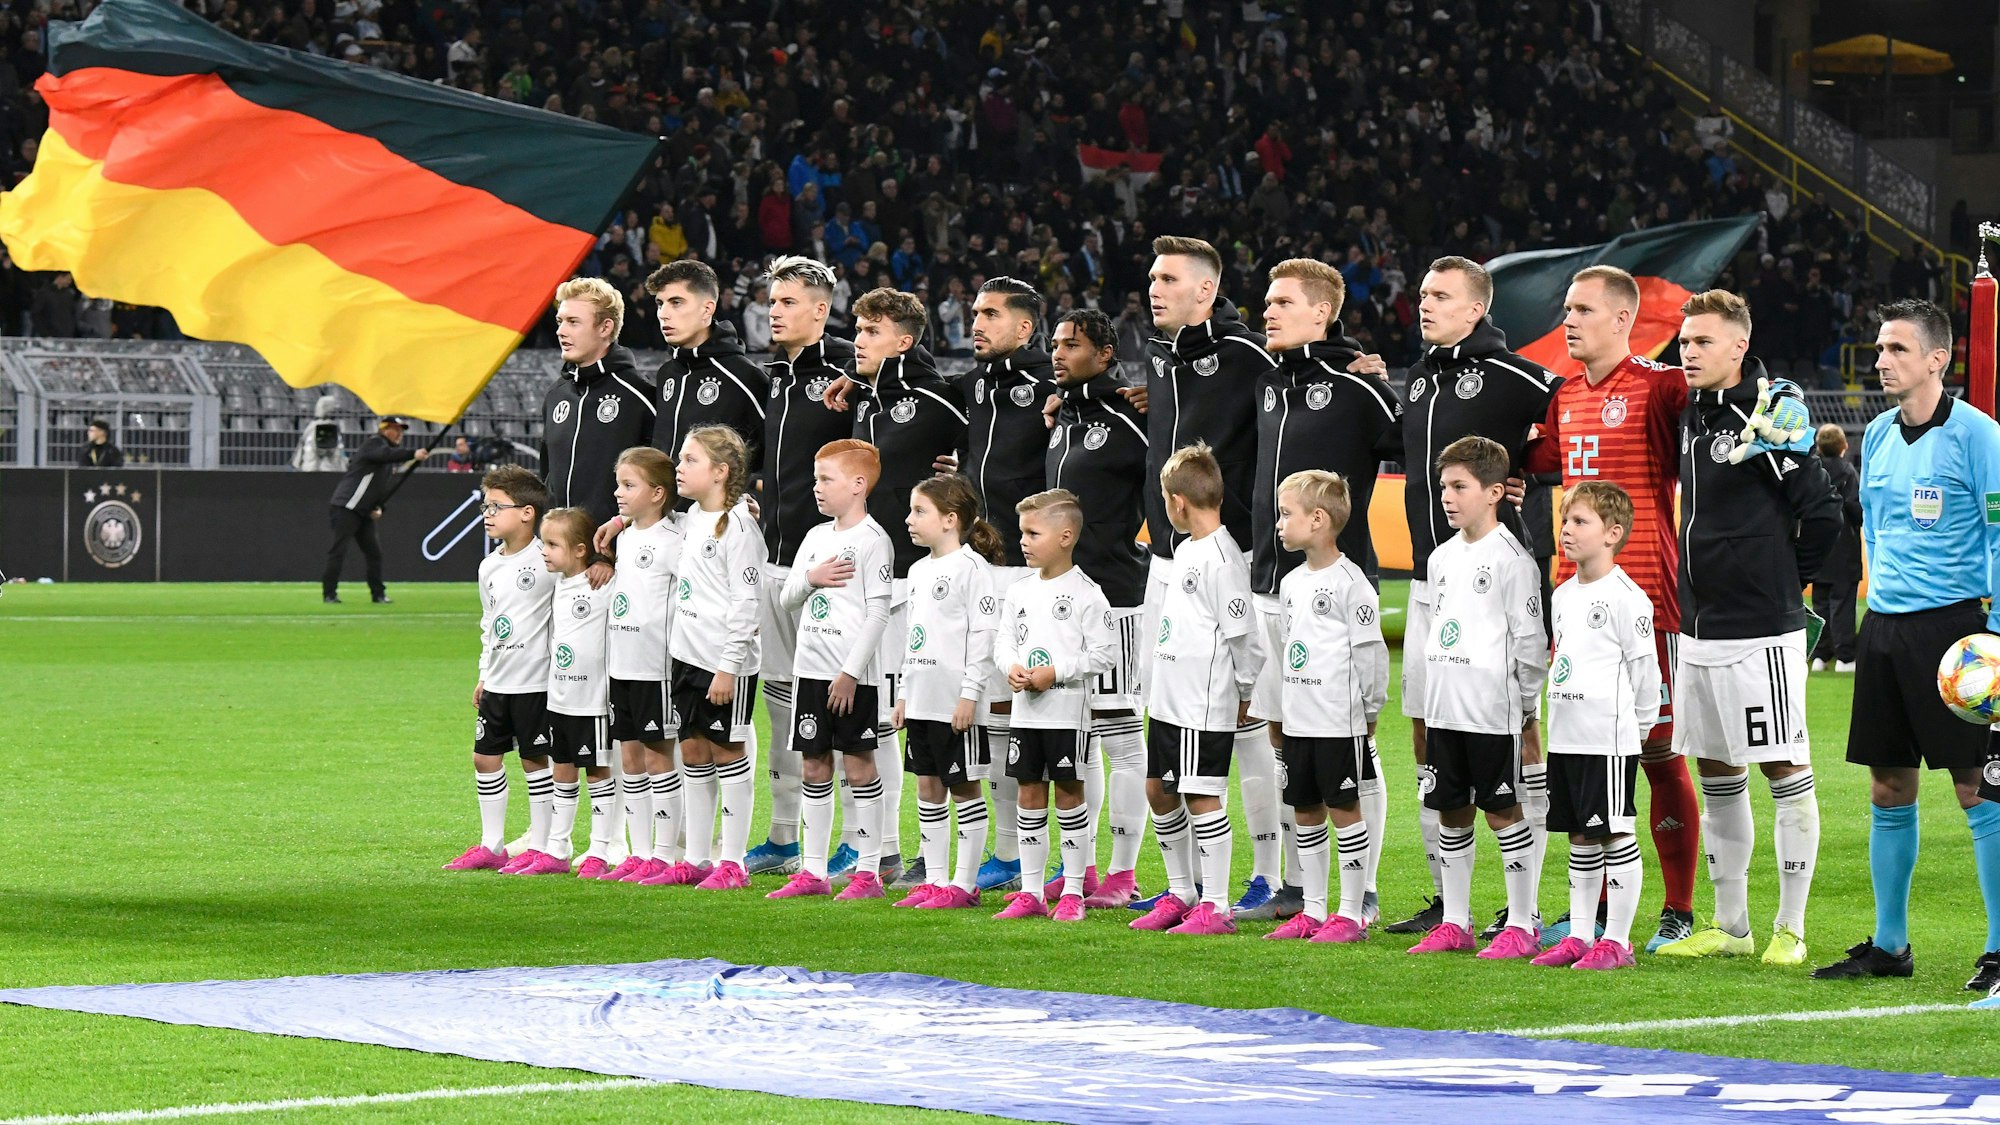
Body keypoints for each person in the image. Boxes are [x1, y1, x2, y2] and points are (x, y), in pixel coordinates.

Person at [1814, 299, 2000, 989]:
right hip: (1885, 628)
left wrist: (1998, 633)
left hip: (1958, 632)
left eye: (1896, 348)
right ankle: (1891, 945)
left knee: (1979, 788)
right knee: (1888, 786)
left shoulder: (1980, 437)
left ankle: (1999, 948)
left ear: (1937, 359)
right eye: (1879, 348)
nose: (1881, 360)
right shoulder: (1880, 435)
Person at [1521, 265, 1703, 953]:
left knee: (1656, 755)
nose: (1568, 320)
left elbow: (1721, 389)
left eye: (1582, 309)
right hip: (1573, 607)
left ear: (1623, 319)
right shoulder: (1564, 394)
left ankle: (1678, 907)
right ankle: (1588, 913)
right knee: (1583, 759)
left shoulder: (1660, 386)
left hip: (1647, 602)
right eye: (1567, 307)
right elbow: (1534, 458)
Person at [1655, 289, 1839, 967]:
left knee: (1785, 765)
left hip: (1762, 625)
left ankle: (1790, 929)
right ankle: (1731, 923)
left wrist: (1784, 586)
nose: (1689, 352)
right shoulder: (1694, 414)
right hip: (1699, 624)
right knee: (1716, 769)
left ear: (1738, 346)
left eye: (1702, 342)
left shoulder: (1769, 412)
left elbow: (1819, 510)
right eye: (1684, 342)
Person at [1388, 257, 1560, 937]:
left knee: (1518, 729)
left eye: (1440, 295)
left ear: (1476, 308)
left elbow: (1569, 427)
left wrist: (1533, 478)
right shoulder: (1421, 377)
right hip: (1431, 580)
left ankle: (1528, 901)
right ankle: (1444, 898)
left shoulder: (1516, 374)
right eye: (1423, 293)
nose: (1424, 304)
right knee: (1427, 730)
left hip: (1495, 582)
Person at [1251, 258, 1400, 925]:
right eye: (1267, 302)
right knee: (1289, 744)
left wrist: (1389, 388)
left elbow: (1412, 448)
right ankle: (1301, 892)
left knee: (1352, 751)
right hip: (1268, 587)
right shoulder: (1269, 385)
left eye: (1283, 302)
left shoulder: (1353, 385)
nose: (1269, 311)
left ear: (1322, 312)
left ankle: (1359, 893)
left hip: (1337, 586)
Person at [1139, 235, 1280, 919]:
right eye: (1152, 277)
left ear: (1206, 290)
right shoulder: (1160, 354)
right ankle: (1186, 885)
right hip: (1165, 563)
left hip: (1233, 561)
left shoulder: (1249, 358)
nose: (1154, 288)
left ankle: (1266, 872)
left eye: (1168, 278)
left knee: (1244, 725)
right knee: (1166, 721)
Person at [1406, 436, 1547, 959]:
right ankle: (1456, 921)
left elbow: (1530, 642)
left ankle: (1519, 922)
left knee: (1503, 812)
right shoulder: (1441, 557)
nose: (1447, 496)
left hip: (1492, 711)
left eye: (1459, 487)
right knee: (1451, 812)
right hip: (1445, 707)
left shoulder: (1512, 559)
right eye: (1444, 486)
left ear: (1493, 493)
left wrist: (1523, 701)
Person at [847, 287, 969, 886]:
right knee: (881, 717)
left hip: (917, 587)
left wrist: (962, 474)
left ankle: (945, 855)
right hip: (867, 581)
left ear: (904, 340)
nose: (858, 341)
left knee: (919, 716)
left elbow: (984, 451)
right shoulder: (864, 400)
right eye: (857, 330)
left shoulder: (935, 399)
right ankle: (890, 850)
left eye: (870, 332)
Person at [746, 256, 858, 880]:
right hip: (775, 565)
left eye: (788, 301)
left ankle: (858, 839)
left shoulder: (847, 373)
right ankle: (785, 834)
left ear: (820, 309)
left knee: (836, 703)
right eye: (772, 300)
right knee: (783, 702)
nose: (775, 311)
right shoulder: (774, 381)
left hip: (833, 569)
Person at [1128, 442, 1262, 936]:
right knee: (1159, 791)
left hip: (1201, 703)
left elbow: (1243, 635)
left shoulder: (1224, 558)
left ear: (1176, 502)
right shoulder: (1186, 549)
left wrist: (1245, 691)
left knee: (1201, 795)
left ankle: (1217, 905)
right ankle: (1182, 891)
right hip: (1168, 697)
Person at [1530, 482, 1662, 971]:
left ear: (1613, 533)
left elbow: (1646, 674)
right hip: (1567, 734)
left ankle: (1619, 941)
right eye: (1565, 520)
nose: (1566, 530)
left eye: (1580, 522)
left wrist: (1638, 732)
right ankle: (1582, 935)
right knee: (1580, 838)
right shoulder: (1562, 595)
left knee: (1615, 834)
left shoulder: (1628, 598)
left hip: (1608, 739)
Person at [1044, 308, 1151, 909]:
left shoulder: (1128, 417)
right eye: (1056, 343)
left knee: (1118, 735)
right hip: (1060, 603)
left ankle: (1122, 871)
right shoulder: (1060, 416)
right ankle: (1079, 868)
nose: (1059, 353)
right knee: (1075, 739)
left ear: (1106, 354)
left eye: (1073, 344)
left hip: (1113, 599)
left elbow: (1167, 487)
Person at [961, 276, 1061, 894]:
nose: (977, 323)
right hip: (980, 566)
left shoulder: (1050, 389)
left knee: (1037, 717)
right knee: (992, 713)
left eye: (992, 314)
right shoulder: (971, 386)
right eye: (975, 313)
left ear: (1025, 327)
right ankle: (1005, 851)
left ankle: (1053, 857)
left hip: (1031, 570)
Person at [1258, 470, 1387, 945]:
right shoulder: (1291, 583)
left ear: (1317, 520)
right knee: (1305, 810)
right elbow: (1290, 647)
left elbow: (1370, 653)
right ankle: (1313, 909)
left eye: (1286, 513)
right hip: (1300, 721)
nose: (1278, 524)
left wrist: (1368, 711)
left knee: (1344, 808)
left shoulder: (1352, 583)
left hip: (1339, 719)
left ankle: (1350, 914)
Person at [768, 439, 898, 901]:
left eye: (827, 479)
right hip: (810, 671)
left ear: (858, 485)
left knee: (860, 767)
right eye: (816, 478)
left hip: (851, 677)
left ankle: (869, 872)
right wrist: (810, 578)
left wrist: (849, 673)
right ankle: (814, 871)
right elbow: (786, 600)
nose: (816, 488)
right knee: (815, 766)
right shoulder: (816, 538)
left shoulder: (873, 541)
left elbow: (878, 614)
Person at [991, 489, 1116, 921]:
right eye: (1022, 532)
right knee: (1028, 794)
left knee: (1068, 795)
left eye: (1032, 532)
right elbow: (1002, 640)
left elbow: (1104, 655)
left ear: (1066, 536)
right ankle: (1031, 892)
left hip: (1068, 715)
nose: (1022, 541)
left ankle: (1074, 893)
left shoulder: (1087, 593)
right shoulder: (1019, 591)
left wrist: (1055, 672)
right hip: (1026, 713)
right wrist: (1010, 666)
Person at [891, 474, 1004, 909]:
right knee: (927, 787)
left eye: (920, 511)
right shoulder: (919, 571)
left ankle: (964, 884)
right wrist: (904, 693)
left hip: (955, 703)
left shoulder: (972, 569)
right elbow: (913, 637)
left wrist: (969, 694)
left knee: (963, 788)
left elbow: (983, 638)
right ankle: (935, 880)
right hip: (921, 697)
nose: (909, 519)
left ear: (950, 520)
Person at [667, 425, 764, 890]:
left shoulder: (741, 527)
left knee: (728, 753)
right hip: (685, 655)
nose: (679, 467)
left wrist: (728, 667)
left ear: (721, 471)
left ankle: (734, 862)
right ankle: (698, 857)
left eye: (690, 460)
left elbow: (747, 602)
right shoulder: (691, 517)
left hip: (724, 664)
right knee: (693, 751)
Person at [448, 466, 555, 873]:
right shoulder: (488, 566)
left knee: (535, 761)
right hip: (499, 679)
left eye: (496, 506)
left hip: (537, 680)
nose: (487, 513)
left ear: (528, 512)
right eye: (485, 505)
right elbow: (489, 622)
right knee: (484, 758)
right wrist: (483, 673)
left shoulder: (547, 558)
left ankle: (541, 843)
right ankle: (491, 844)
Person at [600, 448, 685, 885]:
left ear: (657, 493)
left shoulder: (676, 541)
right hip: (623, 665)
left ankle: (666, 855)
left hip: (657, 669)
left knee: (658, 759)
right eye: (618, 484)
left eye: (628, 485)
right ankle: (640, 852)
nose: (618, 493)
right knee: (629, 759)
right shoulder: (627, 536)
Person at [531, 507, 619, 878]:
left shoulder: (603, 583)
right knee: (562, 770)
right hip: (560, 698)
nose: (544, 551)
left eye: (553, 544)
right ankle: (556, 848)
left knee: (597, 772)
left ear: (581, 550)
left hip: (593, 700)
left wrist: (608, 563)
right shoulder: (557, 584)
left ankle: (599, 849)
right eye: (543, 543)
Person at [540, 279, 658, 543]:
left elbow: (660, 485)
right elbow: (547, 475)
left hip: (616, 557)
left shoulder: (640, 397)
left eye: (573, 322)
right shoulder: (556, 394)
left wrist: (617, 539)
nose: (561, 330)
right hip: (561, 560)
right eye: (560, 321)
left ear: (605, 327)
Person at [642, 260, 769, 486]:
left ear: (707, 309)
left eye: (676, 302)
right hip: (661, 519)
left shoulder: (743, 378)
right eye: (660, 304)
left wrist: (748, 491)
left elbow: (773, 459)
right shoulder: (667, 374)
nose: (663, 314)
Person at [323, 415, 430, 605]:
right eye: (395, 429)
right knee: (338, 550)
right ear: (383, 429)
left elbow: (379, 488)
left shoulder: (386, 460)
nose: (399, 434)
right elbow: (384, 455)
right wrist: (413, 454)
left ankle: (378, 594)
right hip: (347, 506)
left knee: (374, 553)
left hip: (363, 511)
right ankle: (329, 593)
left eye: (401, 431)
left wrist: (379, 507)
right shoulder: (373, 444)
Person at [1809, 423, 1862, 673]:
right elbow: (1855, 507)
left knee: (1819, 604)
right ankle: (1845, 657)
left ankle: (1820, 656)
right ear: (1844, 446)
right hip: (1844, 549)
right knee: (1842, 605)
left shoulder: (1812, 470)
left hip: (1818, 547)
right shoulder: (1848, 472)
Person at [291, 396, 343, 472]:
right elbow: (323, 450)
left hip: (309, 467)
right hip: (322, 469)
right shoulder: (326, 427)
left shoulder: (312, 425)